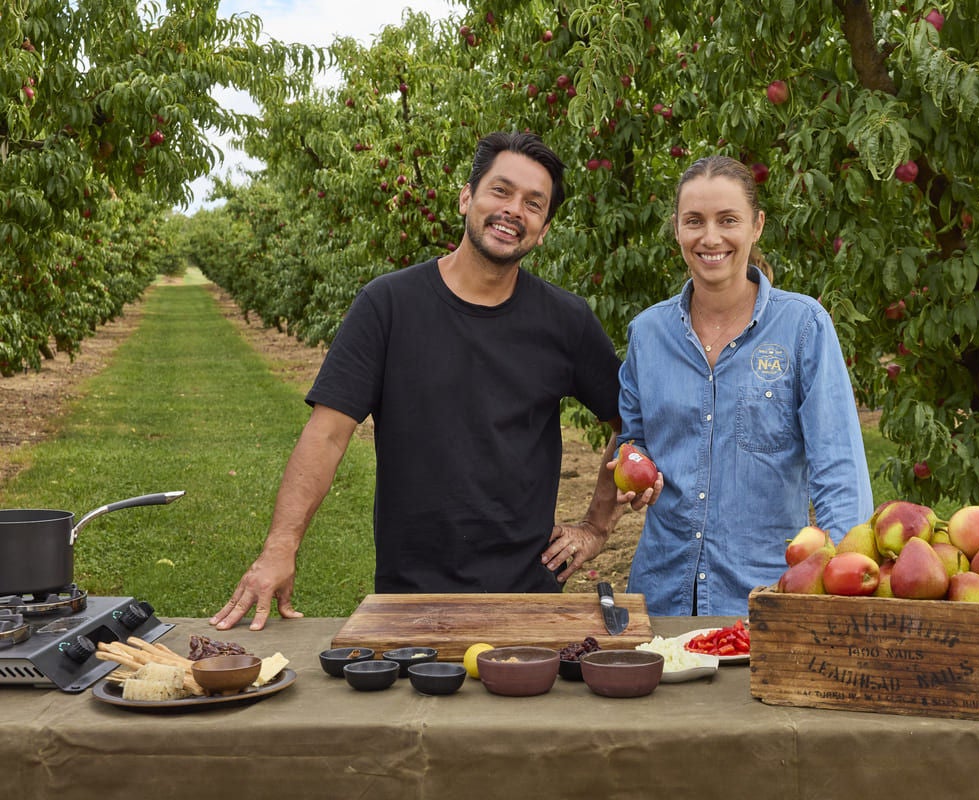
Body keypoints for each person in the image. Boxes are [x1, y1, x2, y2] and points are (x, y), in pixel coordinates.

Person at [211, 132, 651, 631]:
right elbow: (327, 434)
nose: (513, 211)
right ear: (466, 197)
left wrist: (595, 527)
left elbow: (630, 421)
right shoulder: (388, 306)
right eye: (500, 191)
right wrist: (280, 548)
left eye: (534, 204)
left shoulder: (565, 321)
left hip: (526, 597)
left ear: (544, 229)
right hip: (408, 597)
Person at [615, 155, 874, 617]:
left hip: (766, 598)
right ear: (676, 229)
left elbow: (838, 471)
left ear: (756, 226)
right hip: (661, 597)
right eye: (694, 221)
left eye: (727, 220)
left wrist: (848, 586)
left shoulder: (802, 327)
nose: (710, 237)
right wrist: (636, 471)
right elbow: (635, 440)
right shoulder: (647, 334)